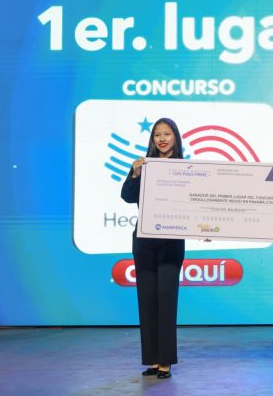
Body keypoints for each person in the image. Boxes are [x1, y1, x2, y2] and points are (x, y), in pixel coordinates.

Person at [121, 118, 186, 380]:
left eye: (167, 134)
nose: (162, 139)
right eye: (157, 134)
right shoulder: (143, 165)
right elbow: (127, 196)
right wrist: (135, 174)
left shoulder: (187, 168)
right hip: (145, 242)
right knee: (146, 301)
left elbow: (196, 204)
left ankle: (166, 362)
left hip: (171, 243)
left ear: (175, 137)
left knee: (166, 301)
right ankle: (152, 360)